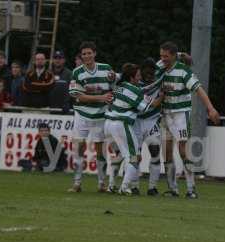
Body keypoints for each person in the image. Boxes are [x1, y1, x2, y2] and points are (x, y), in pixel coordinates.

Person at [159, 41, 220, 199]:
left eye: (166, 56)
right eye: (161, 56)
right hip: (165, 114)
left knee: (182, 151)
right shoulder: (160, 67)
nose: (163, 59)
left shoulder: (184, 72)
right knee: (166, 152)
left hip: (180, 115)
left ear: (173, 56)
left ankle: (191, 189)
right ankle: (173, 189)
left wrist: (211, 108)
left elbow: (199, 90)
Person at [105, 63, 161, 195]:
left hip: (108, 124)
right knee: (134, 157)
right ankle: (124, 188)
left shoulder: (118, 86)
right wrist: (162, 96)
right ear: (131, 77)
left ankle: (111, 185)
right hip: (121, 124)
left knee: (119, 156)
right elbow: (149, 106)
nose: (140, 78)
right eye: (138, 75)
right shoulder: (135, 90)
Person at [68, 41, 116, 192]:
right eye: (84, 54)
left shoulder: (106, 69)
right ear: (81, 56)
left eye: (89, 53)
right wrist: (101, 98)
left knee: (100, 150)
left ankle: (102, 184)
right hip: (82, 115)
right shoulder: (77, 72)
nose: (87, 56)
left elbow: (115, 89)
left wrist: (110, 98)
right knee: (79, 149)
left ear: (95, 53)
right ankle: (77, 183)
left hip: (101, 116)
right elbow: (77, 96)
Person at [131, 57, 164, 196]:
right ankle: (133, 186)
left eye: (152, 71)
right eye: (147, 71)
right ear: (141, 71)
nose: (150, 74)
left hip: (152, 121)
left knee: (155, 153)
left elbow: (166, 60)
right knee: (134, 156)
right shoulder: (134, 82)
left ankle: (152, 187)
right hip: (136, 122)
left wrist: (181, 55)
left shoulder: (160, 77)